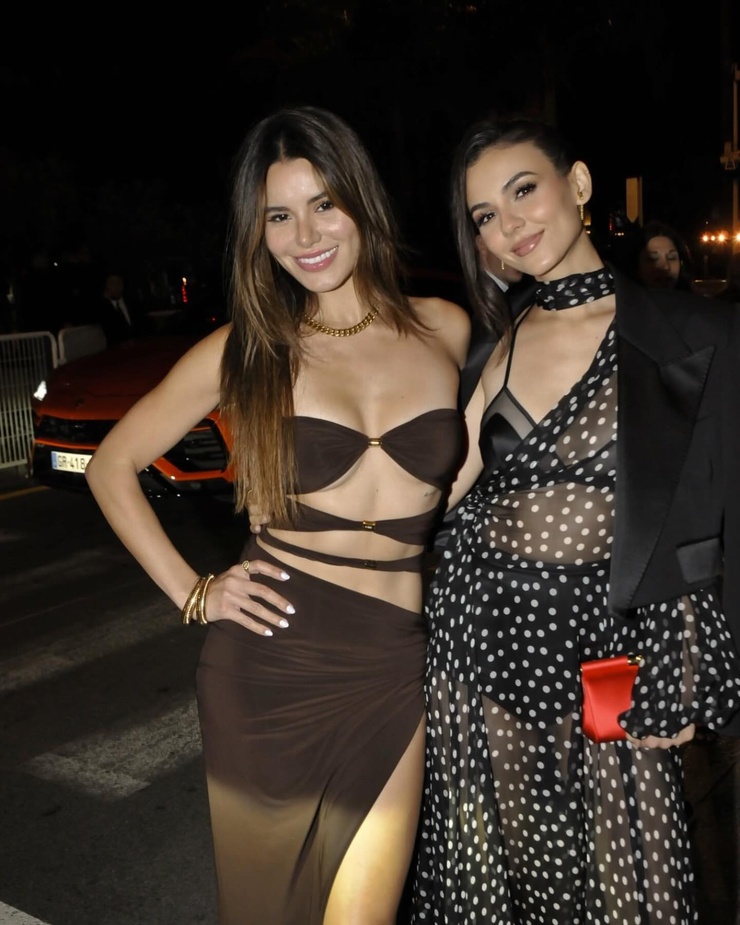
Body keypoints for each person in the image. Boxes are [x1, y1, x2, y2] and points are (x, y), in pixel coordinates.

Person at [83, 105, 470, 925]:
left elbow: (465, 481)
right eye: (279, 216)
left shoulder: (445, 328)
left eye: (324, 203)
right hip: (268, 668)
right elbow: (112, 465)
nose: (306, 234)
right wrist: (195, 592)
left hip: (391, 669)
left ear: (361, 199)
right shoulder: (249, 349)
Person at [407, 114, 740, 925]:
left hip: (608, 654)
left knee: (624, 875)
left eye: (523, 190)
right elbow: (439, 499)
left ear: (580, 184)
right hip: (482, 649)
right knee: (508, 865)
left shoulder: (695, 334)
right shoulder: (494, 341)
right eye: (485, 214)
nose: (510, 223)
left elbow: (723, 511)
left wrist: (698, 669)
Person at [632, 218, 696, 292]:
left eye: (671, 258)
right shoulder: (626, 298)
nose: (665, 267)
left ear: (681, 263)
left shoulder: (693, 298)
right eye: (652, 259)